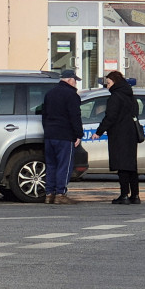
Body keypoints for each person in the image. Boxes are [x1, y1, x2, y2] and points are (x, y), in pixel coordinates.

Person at [92, 70, 140, 204]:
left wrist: (99, 131)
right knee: (131, 165)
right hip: (131, 133)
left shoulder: (115, 97)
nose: (107, 86)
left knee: (122, 165)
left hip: (119, 134)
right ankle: (135, 195)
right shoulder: (130, 95)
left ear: (115, 82)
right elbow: (136, 112)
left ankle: (124, 195)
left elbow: (110, 117)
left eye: (108, 83)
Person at [41, 68, 82, 204]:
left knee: (51, 165)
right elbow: (75, 116)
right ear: (70, 80)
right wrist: (78, 134)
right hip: (65, 135)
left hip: (49, 135)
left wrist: (47, 130)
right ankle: (60, 194)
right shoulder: (71, 95)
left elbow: (44, 115)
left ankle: (49, 194)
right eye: (75, 81)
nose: (76, 84)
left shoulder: (50, 93)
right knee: (64, 165)